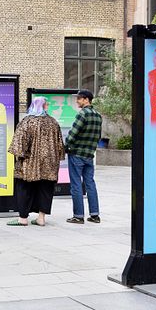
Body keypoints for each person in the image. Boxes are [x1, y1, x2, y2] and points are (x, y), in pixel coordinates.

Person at [6, 97, 65, 226]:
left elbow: (19, 145)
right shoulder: (53, 122)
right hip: (49, 164)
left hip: (29, 164)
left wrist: (19, 156)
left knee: (24, 188)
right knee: (45, 189)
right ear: (44, 106)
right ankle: (41, 218)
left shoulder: (27, 121)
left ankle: (22, 218)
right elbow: (60, 145)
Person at [65, 90, 102, 224]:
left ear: (86, 100)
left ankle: (78, 216)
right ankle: (95, 215)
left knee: (76, 185)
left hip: (77, 154)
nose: (77, 101)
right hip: (89, 155)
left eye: (79, 99)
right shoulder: (98, 116)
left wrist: (66, 145)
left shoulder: (82, 114)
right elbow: (98, 136)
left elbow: (72, 134)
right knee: (90, 183)